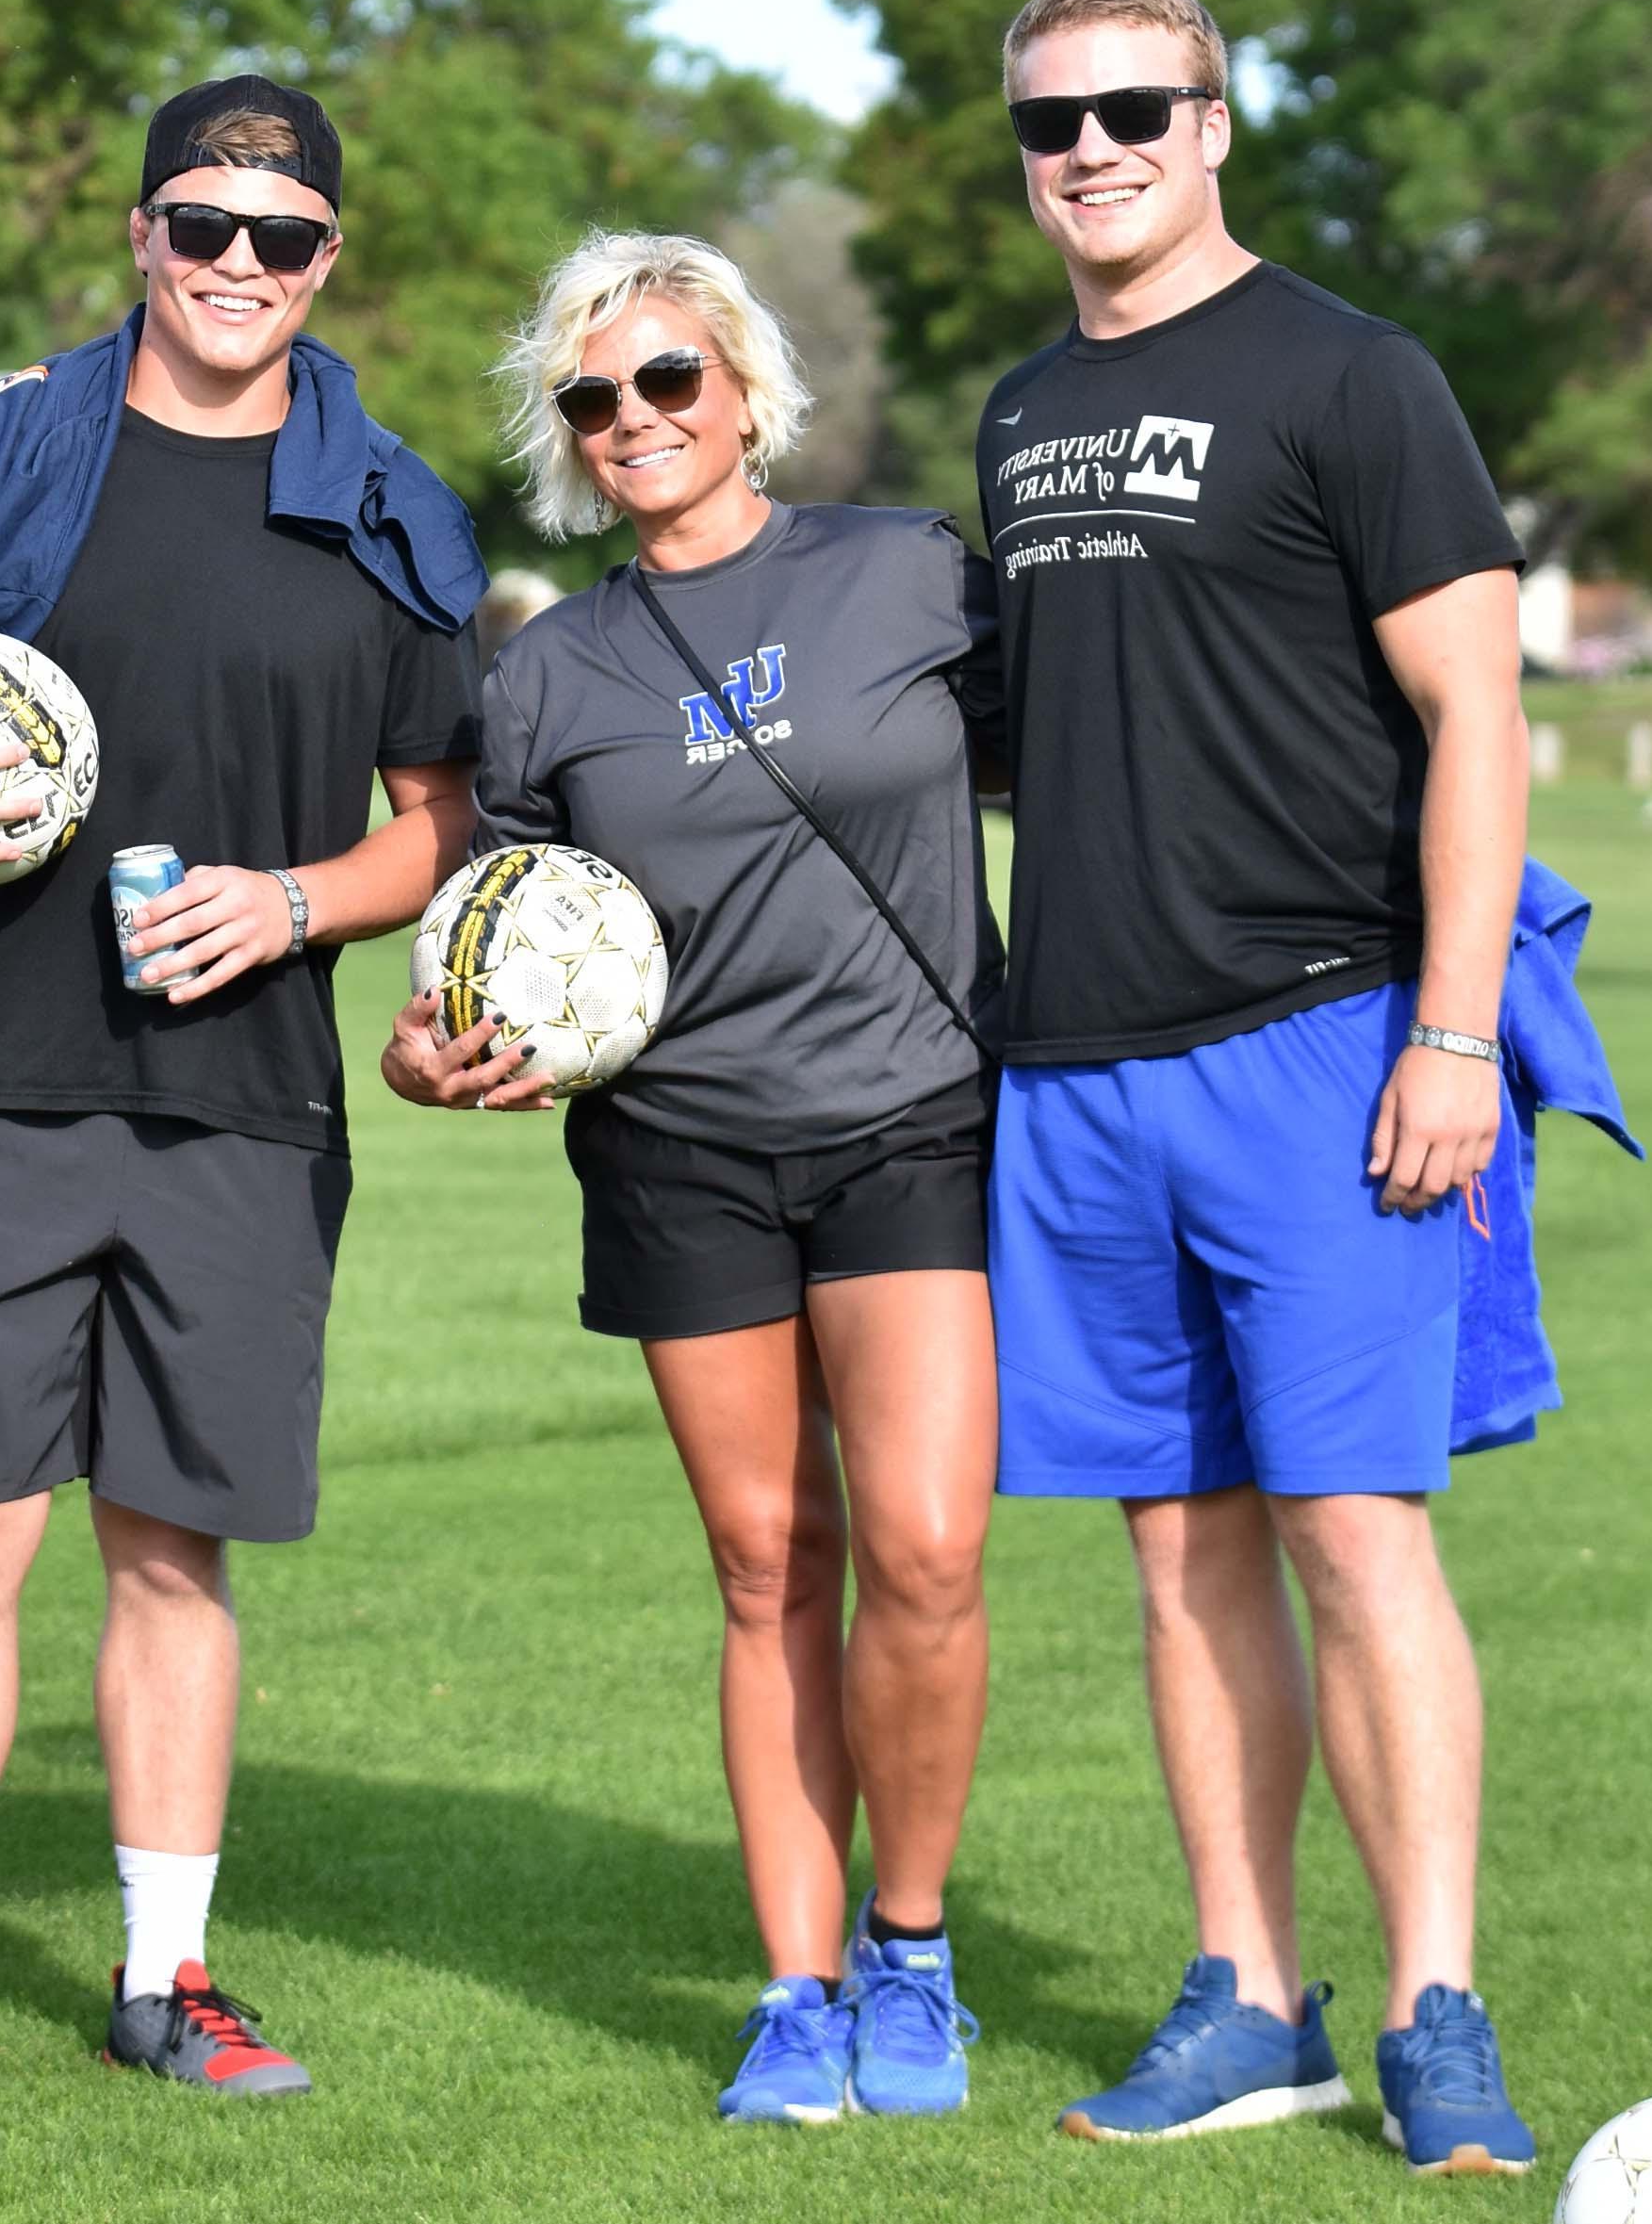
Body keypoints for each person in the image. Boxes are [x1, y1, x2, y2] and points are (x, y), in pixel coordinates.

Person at [0, 76, 486, 2116]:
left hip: (247, 1099)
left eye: (280, 237)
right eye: (200, 225)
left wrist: (295, 899)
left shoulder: (389, 510)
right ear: (140, 236)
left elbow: (439, 821)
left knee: (174, 1551)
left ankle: (170, 1977)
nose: (235, 266)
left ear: (328, 260)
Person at [974, 0, 1543, 2174]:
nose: (1092, 149)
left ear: (1212, 121)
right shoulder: (1024, 418)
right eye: (1051, 122)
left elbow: (1475, 720)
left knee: (1351, 1531)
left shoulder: (1352, 373)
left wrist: (1455, 1023)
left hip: (1326, 1043)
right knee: (1175, 1545)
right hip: (1077, 1067)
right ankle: (1247, 1994)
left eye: (1133, 107)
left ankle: (1434, 2006)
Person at [383, 232, 1005, 2127]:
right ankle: (797, 1987)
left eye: (668, 378)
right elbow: (502, 927)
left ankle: (912, 1946)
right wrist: (433, 1043)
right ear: (564, 436)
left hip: (909, 1109)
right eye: (593, 396)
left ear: (742, 390)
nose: (633, 418)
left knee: (923, 1546)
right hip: (681, 1147)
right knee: (765, 1563)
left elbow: (1092, 757)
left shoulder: (904, 571)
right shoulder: (550, 668)